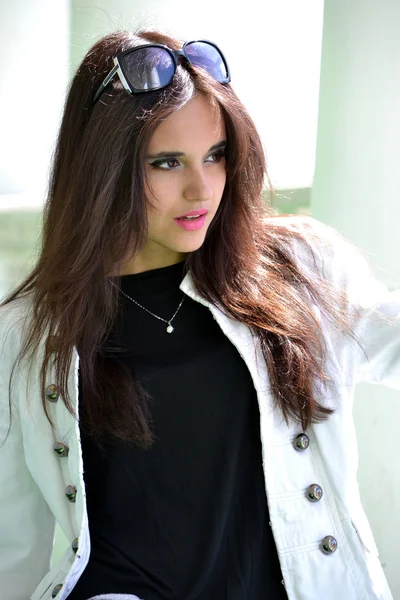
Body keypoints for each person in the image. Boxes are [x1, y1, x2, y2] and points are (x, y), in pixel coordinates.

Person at [0, 27, 398, 600]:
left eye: (215, 156)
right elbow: (13, 548)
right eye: (166, 163)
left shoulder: (297, 267)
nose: (201, 189)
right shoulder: (28, 337)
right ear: (102, 171)